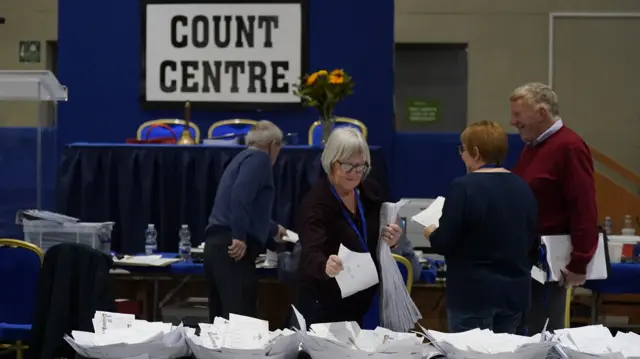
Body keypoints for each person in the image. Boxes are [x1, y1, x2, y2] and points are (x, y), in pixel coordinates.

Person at [424, 121, 538, 334]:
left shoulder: (464, 187)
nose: (461, 156)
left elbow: (445, 242)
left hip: (473, 294)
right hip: (515, 294)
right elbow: (532, 244)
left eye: (463, 149)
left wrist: (431, 233)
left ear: (475, 153)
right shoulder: (523, 188)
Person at [510, 83, 598, 332]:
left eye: (518, 115)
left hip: (551, 264)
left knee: (545, 334)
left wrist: (580, 261)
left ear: (541, 113)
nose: (512, 121)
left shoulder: (569, 147)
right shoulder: (532, 148)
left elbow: (584, 206)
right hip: (527, 261)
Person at [295, 127, 402, 326]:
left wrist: (392, 239)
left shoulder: (371, 193)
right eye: (347, 166)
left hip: (359, 302)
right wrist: (325, 265)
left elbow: (381, 233)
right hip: (323, 303)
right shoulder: (315, 203)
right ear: (331, 163)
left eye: (360, 166)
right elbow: (311, 252)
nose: (354, 173)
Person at [204, 120, 288, 321]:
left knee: (220, 323)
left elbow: (242, 205)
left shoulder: (240, 159)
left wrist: (273, 229)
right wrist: (239, 237)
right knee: (240, 326)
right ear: (273, 145)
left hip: (215, 248)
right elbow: (240, 197)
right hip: (233, 251)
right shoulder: (260, 159)